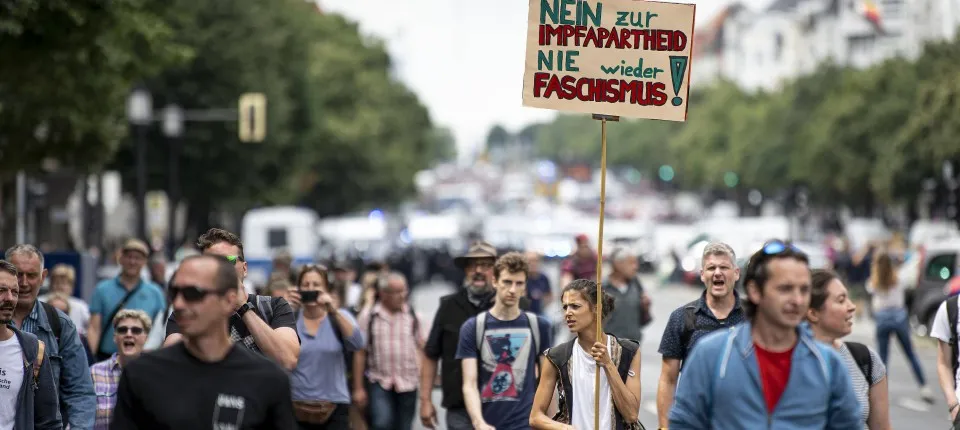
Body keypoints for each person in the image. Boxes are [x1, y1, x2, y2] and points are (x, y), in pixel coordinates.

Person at [669, 240, 861, 429]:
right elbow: (684, 423)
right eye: (785, 289)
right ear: (754, 291)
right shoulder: (712, 356)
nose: (797, 300)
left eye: (804, 290)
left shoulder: (827, 365)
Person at [110, 255, 296, 429]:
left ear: (229, 300)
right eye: (175, 292)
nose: (180, 304)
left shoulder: (268, 380)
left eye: (194, 293)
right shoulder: (141, 375)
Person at [421, 241, 533, 429]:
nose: (478, 270)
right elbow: (431, 354)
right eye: (472, 265)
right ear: (465, 270)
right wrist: (425, 400)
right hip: (460, 408)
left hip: (505, 407)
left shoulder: (519, 307)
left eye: (486, 265)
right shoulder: (449, 306)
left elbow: (535, 360)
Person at [164, 228, 300, 371]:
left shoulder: (274, 307)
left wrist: (243, 307)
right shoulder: (188, 312)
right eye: (211, 262)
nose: (221, 269)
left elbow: (287, 360)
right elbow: (168, 365)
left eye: (229, 261)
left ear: (245, 268)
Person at [529, 279, 642, 429]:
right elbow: (535, 417)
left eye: (575, 306)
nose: (568, 313)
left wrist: (608, 364)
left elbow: (631, 415)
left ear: (596, 308)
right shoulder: (557, 357)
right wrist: (564, 428)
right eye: (565, 307)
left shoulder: (629, 352)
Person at [457, 253, 552, 430]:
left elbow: (548, 382)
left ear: (525, 286)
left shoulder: (539, 326)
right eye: (507, 282)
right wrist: (479, 423)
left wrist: (552, 423)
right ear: (495, 281)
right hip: (488, 423)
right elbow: (469, 384)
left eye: (519, 283)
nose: (513, 290)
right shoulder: (474, 327)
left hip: (526, 423)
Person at [656, 242, 745, 428]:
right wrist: (664, 426)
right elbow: (668, 379)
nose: (717, 272)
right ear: (703, 275)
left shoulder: (754, 317)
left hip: (743, 418)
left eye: (724, 267)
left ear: (736, 273)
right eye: (711, 268)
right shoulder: (682, 318)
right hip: (695, 419)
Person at [6, 244, 96, 429]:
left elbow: (80, 392)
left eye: (31, 275)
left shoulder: (60, 325)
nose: (23, 283)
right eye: (17, 274)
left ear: (43, 277)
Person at [806, 269, 890, 429]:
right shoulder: (787, 362)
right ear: (813, 313)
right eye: (841, 300)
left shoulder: (866, 359)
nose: (851, 307)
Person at [288, 265, 364, 430]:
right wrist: (285, 308)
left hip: (334, 405)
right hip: (295, 405)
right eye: (306, 285)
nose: (311, 289)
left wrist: (333, 310)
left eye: (316, 285)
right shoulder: (289, 318)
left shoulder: (340, 317)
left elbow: (358, 343)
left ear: (327, 290)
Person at [354, 273, 424, 430]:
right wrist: (358, 388)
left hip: (408, 383)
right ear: (383, 293)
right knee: (381, 423)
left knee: (404, 426)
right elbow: (360, 352)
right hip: (379, 381)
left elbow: (422, 348)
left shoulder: (413, 316)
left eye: (403, 291)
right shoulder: (369, 317)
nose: (401, 296)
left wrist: (424, 380)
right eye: (396, 292)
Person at [0, 260, 61, 430]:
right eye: (1, 291)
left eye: (15, 292)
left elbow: (49, 422)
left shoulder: (33, 350)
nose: (10, 299)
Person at [867, 251, 933, 402]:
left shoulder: (874, 281)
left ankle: (881, 392)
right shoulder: (898, 278)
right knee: (910, 354)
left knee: (883, 358)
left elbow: (870, 290)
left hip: (882, 318)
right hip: (898, 317)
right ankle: (924, 387)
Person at [88, 239, 166, 362]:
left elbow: (161, 329)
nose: (132, 261)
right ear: (121, 259)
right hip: (106, 358)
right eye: (129, 257)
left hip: (144, 360)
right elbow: (94, 328)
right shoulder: (102, 289)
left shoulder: (155, 293)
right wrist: (90, 359)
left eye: (138, 258)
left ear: (144, 262)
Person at [90, 309, 152, 430]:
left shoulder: (155, 374)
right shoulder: (94, 372)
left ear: (146, 338)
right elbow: (80, 414)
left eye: (136, 330)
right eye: (122, 330)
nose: (129, 334)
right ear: (115, 337)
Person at [602, 246, 652, 342]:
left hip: (633, 346)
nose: (635, 267)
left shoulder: (636, 284)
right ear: (618, 264)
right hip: (607, 347)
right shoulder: (602, 287)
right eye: (631, 263)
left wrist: (646, 307)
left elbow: (644, 319)